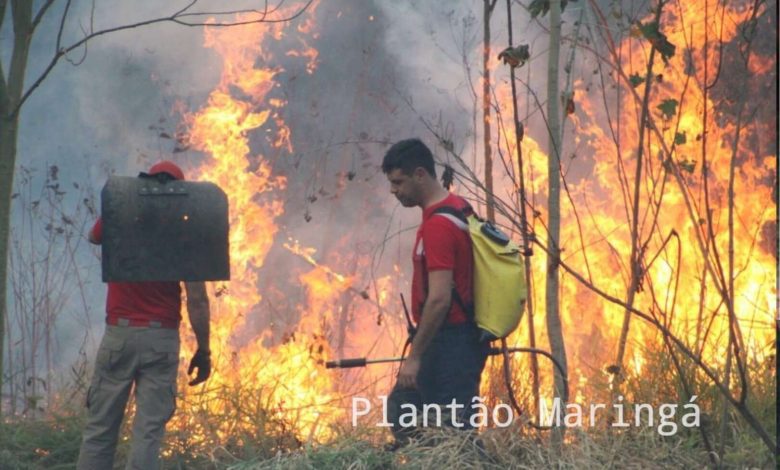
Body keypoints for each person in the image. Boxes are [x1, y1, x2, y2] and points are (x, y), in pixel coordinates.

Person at [77, 160, 212, 470]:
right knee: (148, 434)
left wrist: (123, 206)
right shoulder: (185, 235)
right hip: (160, 340)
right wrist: (203, 350)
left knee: (100, 430)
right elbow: (198, 301)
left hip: (119, 336)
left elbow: (93, 236)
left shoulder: (122, 216)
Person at [382, 138, 489, 444]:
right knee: (417, 418)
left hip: (449, 344)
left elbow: (440, 298)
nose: (394, 191)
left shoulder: (439, 226)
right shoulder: (458, 207)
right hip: (456, 340)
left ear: (420, 174)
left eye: (398, 182)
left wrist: (415, 357)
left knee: (453, 440)